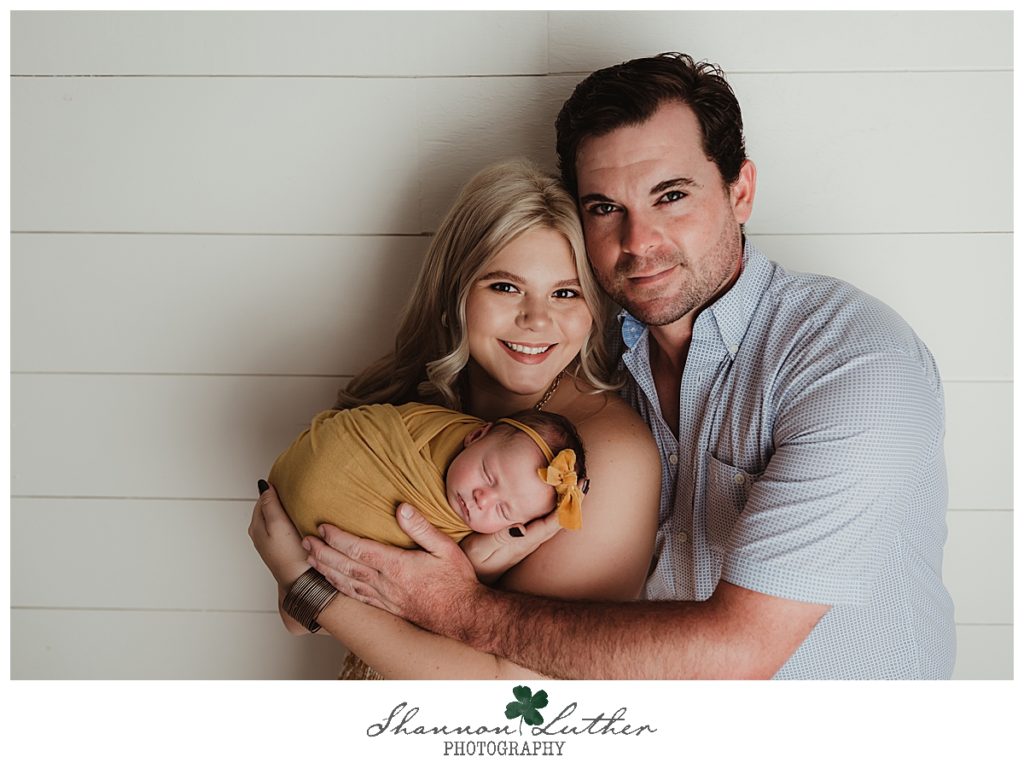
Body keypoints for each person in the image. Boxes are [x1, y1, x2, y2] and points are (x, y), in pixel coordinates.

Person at [294, 53, 956, 679]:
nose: (639, 242)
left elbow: (737, 654)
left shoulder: (852, 364)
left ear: (741, 191)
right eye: (607, 208)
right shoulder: (586, 361)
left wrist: (456, 607)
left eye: (671, 196)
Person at [248, 157, 661, 678]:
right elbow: (297, 618)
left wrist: (311, 588)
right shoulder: (413, 408)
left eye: (565, 292)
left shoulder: (606, 458)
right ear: (456, 290)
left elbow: (527, 693)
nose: (537, 320)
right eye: (505, 287)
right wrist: (308, 589)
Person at [268, 403, 588, 571]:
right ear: (476, 435)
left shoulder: (475, 541)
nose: (482, 498)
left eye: (503, 510)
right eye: (488, 475)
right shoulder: (431, 429)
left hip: (301, 550)